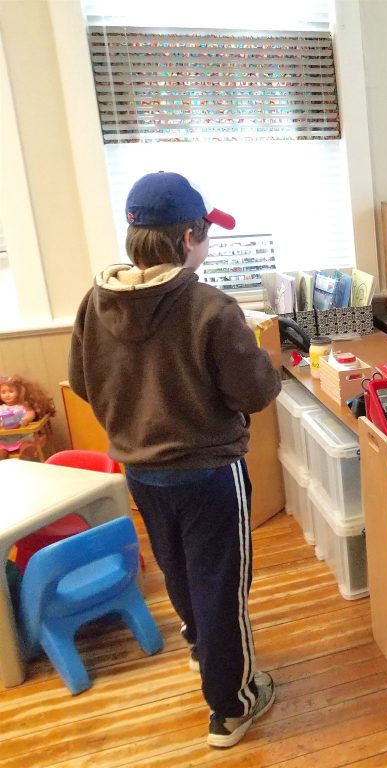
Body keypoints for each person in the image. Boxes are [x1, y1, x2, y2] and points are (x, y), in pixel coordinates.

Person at [67, 171, 281, 748]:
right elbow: (257, 392)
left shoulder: (96, 300)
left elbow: (81, 383)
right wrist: (258, 354)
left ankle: (201, 649)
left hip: (141, 469)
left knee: (179, 569)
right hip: (210, 472)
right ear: (187, 238)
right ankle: (233, 706)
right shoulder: (209, 306)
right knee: (223, 585)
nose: (208, 245)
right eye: (206, 234)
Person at [0, 375, 56, 457]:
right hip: (6, 438)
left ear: (19, 393)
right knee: (2, 447)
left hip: (22, 436)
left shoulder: (22, 406)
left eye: (11, 391)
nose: (7, 395)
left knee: (25, 444)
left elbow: (30, 413)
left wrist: (26, 419)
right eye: (3, 392)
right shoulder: (1, 408)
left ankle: (27, 452)